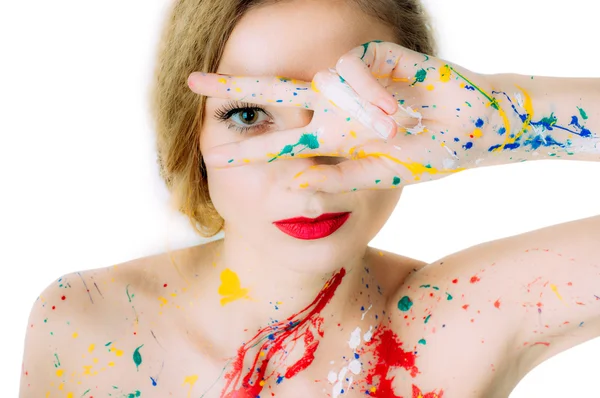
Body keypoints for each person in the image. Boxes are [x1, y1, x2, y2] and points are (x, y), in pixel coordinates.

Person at [19, 0, 599, 397]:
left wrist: (507, 119)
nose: (308, 172)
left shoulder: (462, 321)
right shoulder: (87, 322)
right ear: (189, 134)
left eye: (351, 115)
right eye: (249, 115)